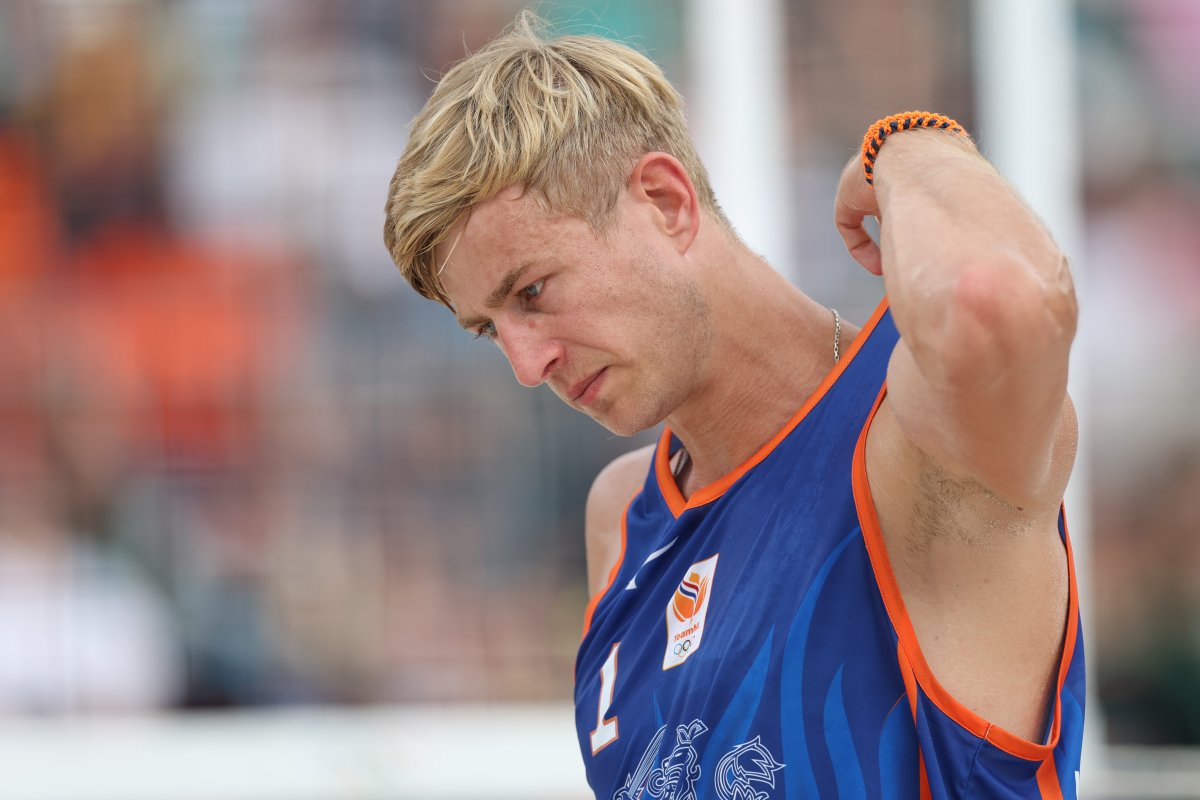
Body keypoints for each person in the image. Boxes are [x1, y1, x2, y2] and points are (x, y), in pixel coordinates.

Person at [383, 12, 1084, 799]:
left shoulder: (912, 437)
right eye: (489, 330)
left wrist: (913, 144)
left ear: (665, 200)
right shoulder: (622, 520)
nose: (524, 363)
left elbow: (1001, 303)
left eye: (534, 292)